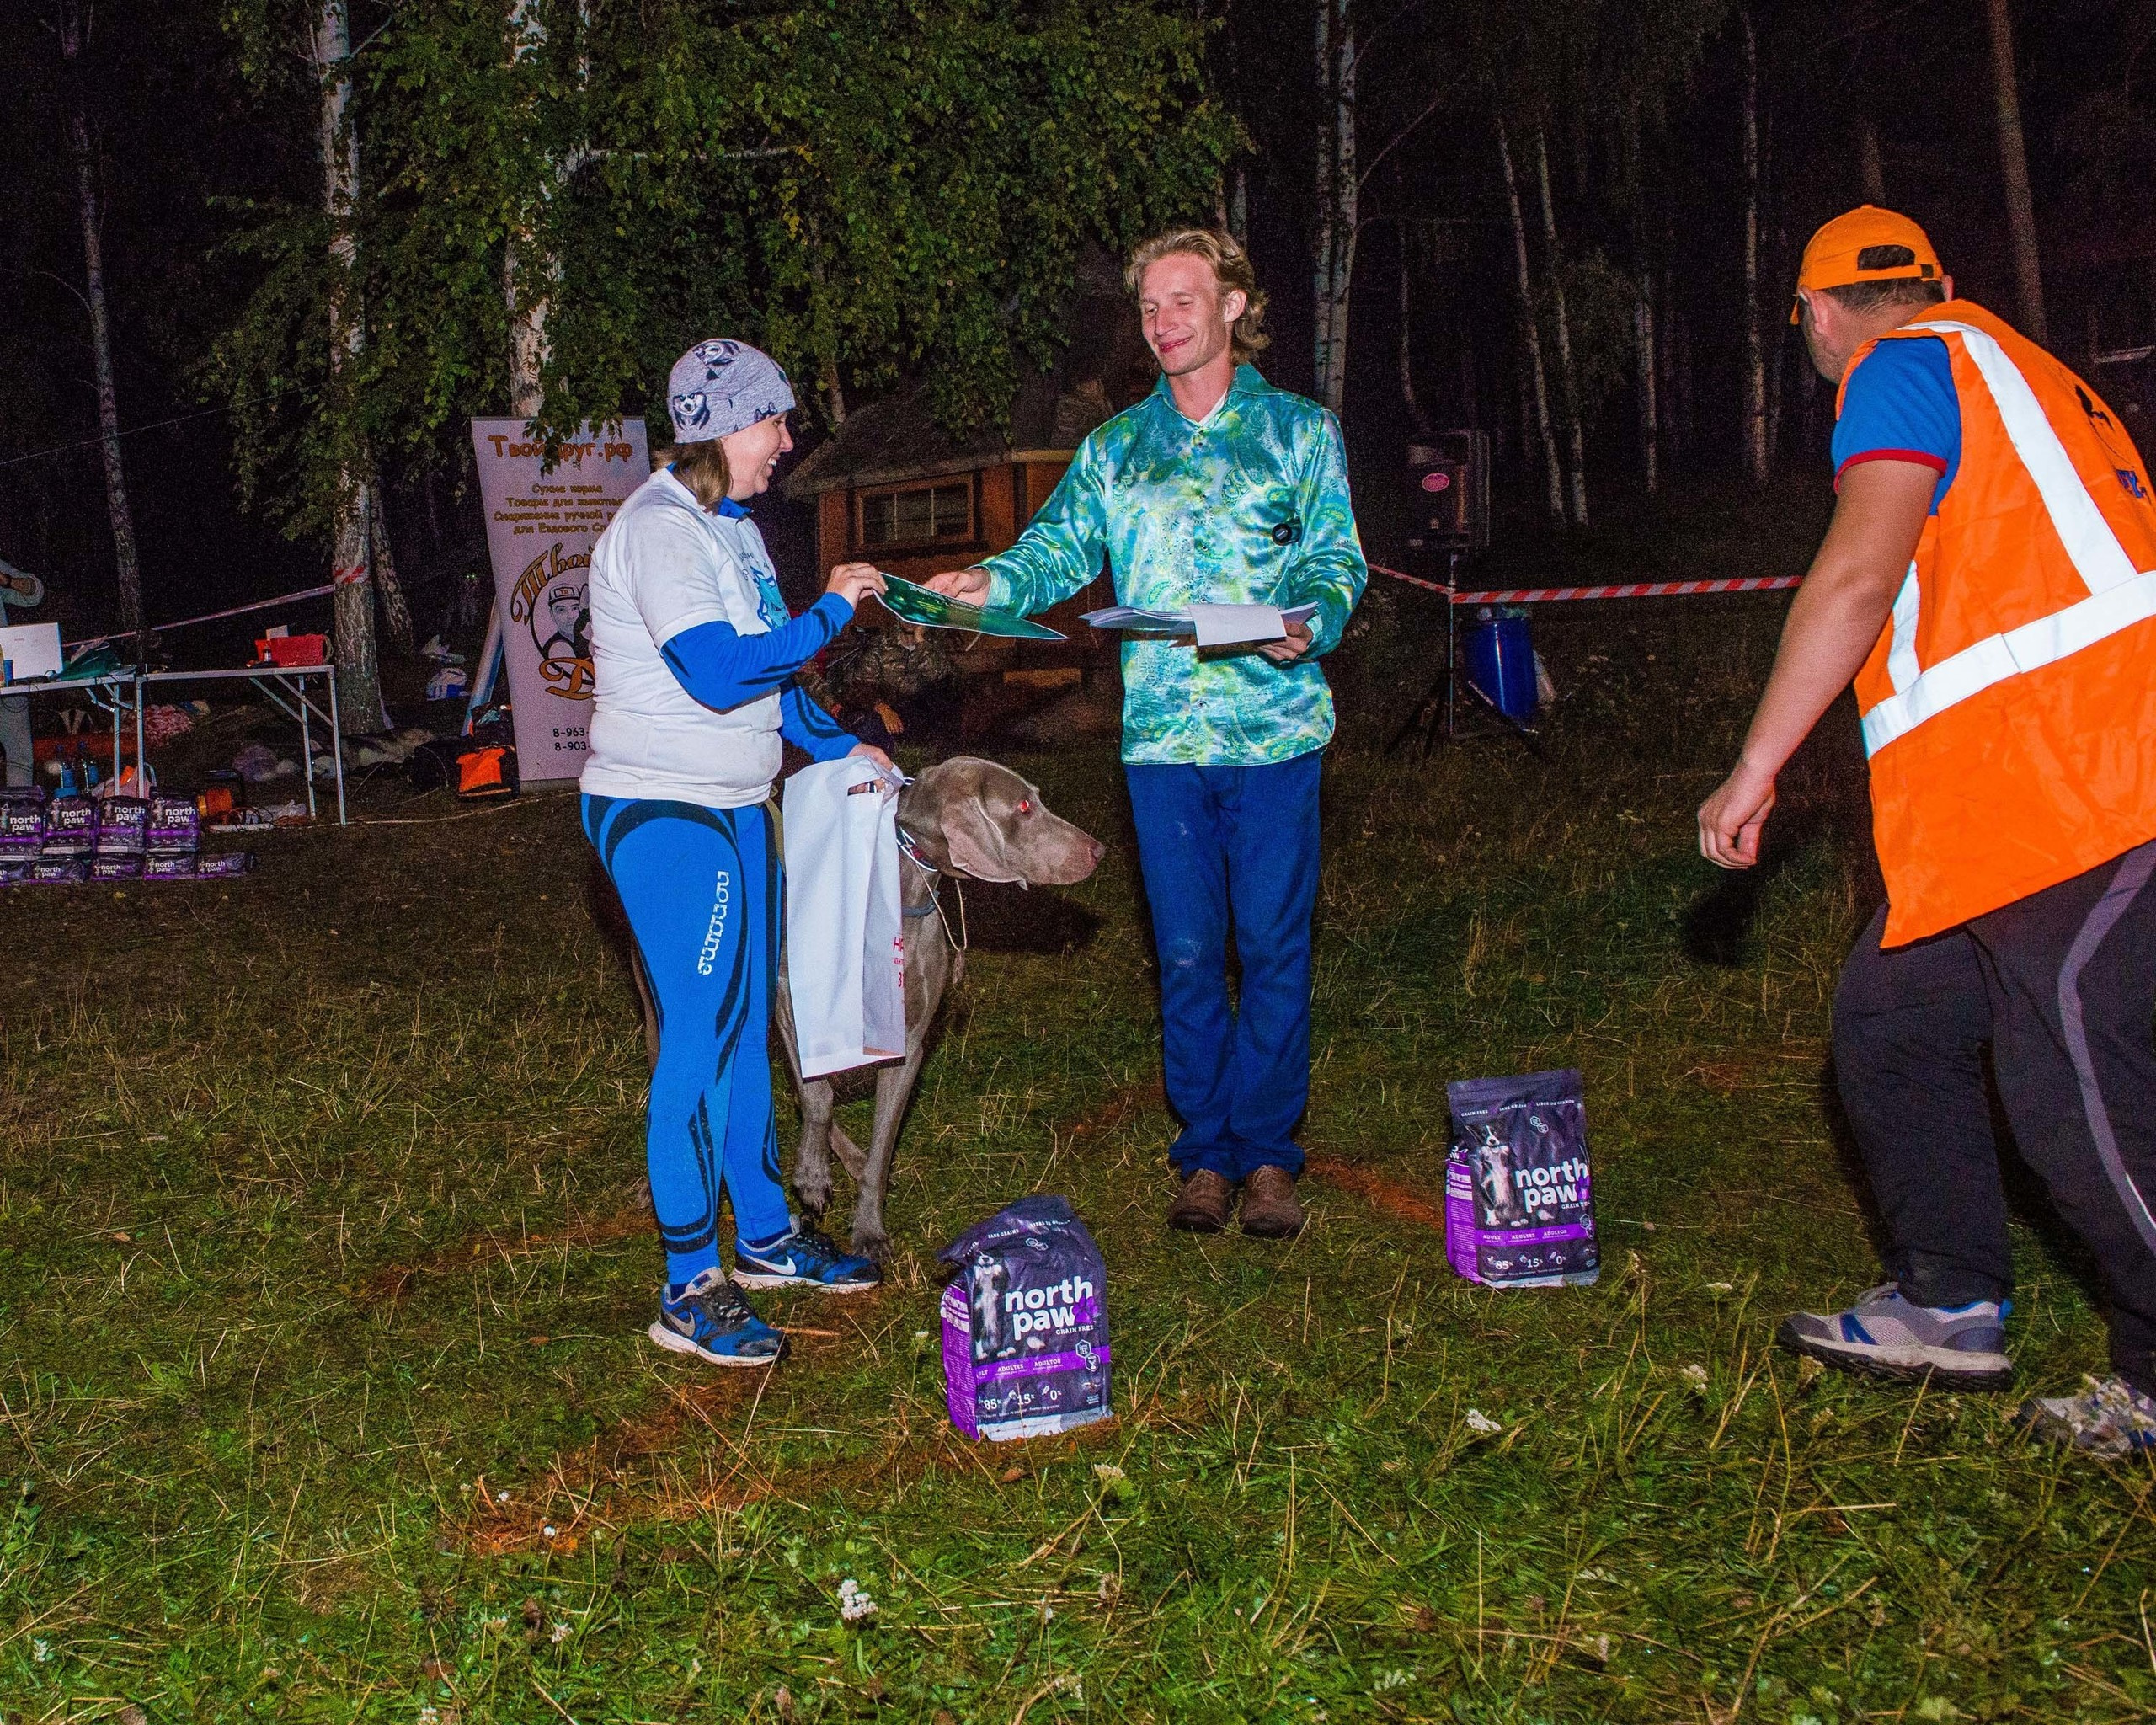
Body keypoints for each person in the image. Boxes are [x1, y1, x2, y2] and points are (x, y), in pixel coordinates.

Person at [1698, 206, 2156, 1457]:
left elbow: (1857, 575)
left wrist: (1756, 767)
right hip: (2010, 811)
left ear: (1820, 316)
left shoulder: (1900, 369)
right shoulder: (2026, 368)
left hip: (2081, 790)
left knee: (2068, 1084)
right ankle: (1949, 1300)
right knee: (1890, 1022)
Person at [928, 229, 1367, 1240]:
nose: (1162, 323)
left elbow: (1337, 560)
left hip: (1273, 734)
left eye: (1181, 301)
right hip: (1164, 743)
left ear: (1231, 307)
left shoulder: (1299, 431)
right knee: (1181, 951)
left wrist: (1313, 619)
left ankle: (1265, 1155)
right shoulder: (1118, 447)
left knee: (1269, 946)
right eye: (1149, 308)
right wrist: (987, 582)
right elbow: (1055, 547)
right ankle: (1202, 1154)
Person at [582, 338, 894, 1368]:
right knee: (699, 1037)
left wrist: (845, 745)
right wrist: (834, 611)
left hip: (733, 802)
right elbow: (719, 672)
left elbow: (770, 677)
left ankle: (762, 1241)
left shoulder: (735, 527)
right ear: (727, 425)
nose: (788, 441)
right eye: (776, 421)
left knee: (746, 1025)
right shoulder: (660, 529)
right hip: (662, 811)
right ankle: (688, 1282)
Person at [0, 557, 48, 789]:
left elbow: (34, 593)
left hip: (6, 679)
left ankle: (21, 817)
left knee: (20, 758)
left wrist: (7, 580)